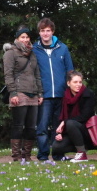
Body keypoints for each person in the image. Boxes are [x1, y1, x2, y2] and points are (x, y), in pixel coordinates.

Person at [32, 18, 75, 161]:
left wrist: (69, 91)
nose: (45, 33)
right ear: (39, 32)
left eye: (48, 30)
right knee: (42, 127)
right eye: (43, 31)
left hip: (61, 94)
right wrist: (38, 92)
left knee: (59, 128)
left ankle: (58, 155)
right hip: (44, 95)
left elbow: (70, 71)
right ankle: (43, 155)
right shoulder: (35, 49)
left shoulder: (62, 48)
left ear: (53, 32)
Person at [3, 25, 43, 161]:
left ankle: (27, 155)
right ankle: (16, 156)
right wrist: (13, 93)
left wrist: (40, 94)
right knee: (18, 125)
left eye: (27, 37)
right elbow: (8, 75)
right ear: (17, 39)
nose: (25, 39)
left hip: (33, 93)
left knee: (31, 127)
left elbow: (37, 75)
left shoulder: (33, 54)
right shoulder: (10, 53)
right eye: (22, 37)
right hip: (19, 92)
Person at [51, 70, 95, 162]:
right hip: (71, 131)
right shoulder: (65, 97)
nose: (78, 84)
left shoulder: (88, 94)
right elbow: (63, 116)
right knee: (56, 147)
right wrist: (61, 133)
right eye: (75, 82)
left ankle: (82, 154)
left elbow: (85, 116)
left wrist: (65, 122)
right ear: (68, 83)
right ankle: (68, 156)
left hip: (86, 131)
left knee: (70, 123)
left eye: (80, 82)